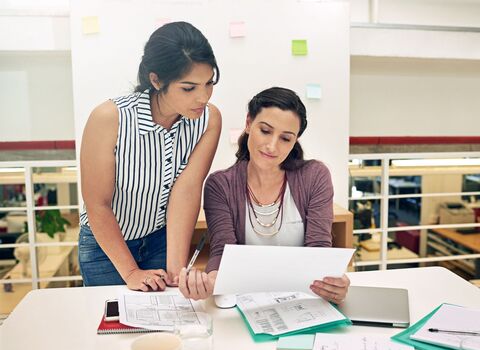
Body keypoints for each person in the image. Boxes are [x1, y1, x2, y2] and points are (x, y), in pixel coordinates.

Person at [78, 22, 222, 291]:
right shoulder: (110, 118)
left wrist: (177, 271)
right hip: (106, 247)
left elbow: (187, 191)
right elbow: (97, 203)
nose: (202, 97)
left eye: (209, 83)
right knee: (112, 329)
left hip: (161, 240)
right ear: (156, 81)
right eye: (189, 88)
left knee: (165, 321)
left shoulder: (208, 120)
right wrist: (131, 271)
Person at [178, 87, 350, 303]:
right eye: (266, 131)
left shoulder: (315, 176)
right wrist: (211, 282)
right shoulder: (220, 185)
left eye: (285, 138)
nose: (272, 146)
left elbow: (319, 249)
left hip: (301, 302)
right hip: (246, 302)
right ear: (249, 123)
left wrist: (333, 284)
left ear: (295, 140)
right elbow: (222, 251)